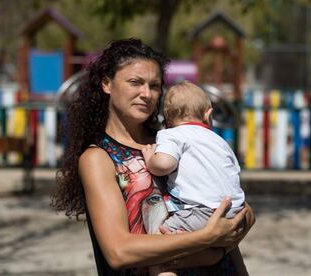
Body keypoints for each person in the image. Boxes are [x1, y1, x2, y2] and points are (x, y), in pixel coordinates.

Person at [51, 38, 255, 275]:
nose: (146, 94)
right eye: (135, 82)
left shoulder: (175, 141)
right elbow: (119, 252)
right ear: (107, 83)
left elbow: (236, 210)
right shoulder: (99, 158)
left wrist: (221, 248)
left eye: (155, 85)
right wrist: (208, 239)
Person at [142, 81, 248, 276]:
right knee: (230, 252)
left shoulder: (172, 134)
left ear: (166, 119)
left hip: (200, 213)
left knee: (156, 250)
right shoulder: (220, 142)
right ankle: (209, 257)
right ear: (208, 115)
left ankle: (169, 267)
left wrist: (150, 158)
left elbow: (164, 164)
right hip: (235, 213)